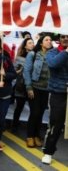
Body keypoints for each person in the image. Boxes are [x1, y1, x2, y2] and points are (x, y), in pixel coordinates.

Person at [41, 34, 68, 165]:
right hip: (58, 94)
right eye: (63, 36)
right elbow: (53, 64)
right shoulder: (52, 52)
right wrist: (67, 52)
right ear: (59, 39)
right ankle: (48, 152)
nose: (66, 39)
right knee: (55, 124)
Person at [23, 34, 52, 147]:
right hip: (34, 88)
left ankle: (36, 136)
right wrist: (29, 87)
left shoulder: (53, 55)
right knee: (34, 112)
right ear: (41, 42)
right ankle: (30, 136)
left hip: (46, 89)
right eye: (46, 39)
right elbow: (27, 71)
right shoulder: (33, 54)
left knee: (40, 114)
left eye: (50, 40)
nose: (49, 41)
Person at [11, 38, 34, 132]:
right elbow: (13, 72)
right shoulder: (19, 58)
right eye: (29, 43)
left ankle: (31, 127)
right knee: (19, 107)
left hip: (31, 87)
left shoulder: (35, 57)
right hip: (20, 86)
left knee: (33, 108)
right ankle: (14, 126)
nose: (32, 44)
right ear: (25, 46)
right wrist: (19, 72)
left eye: (33, 43)